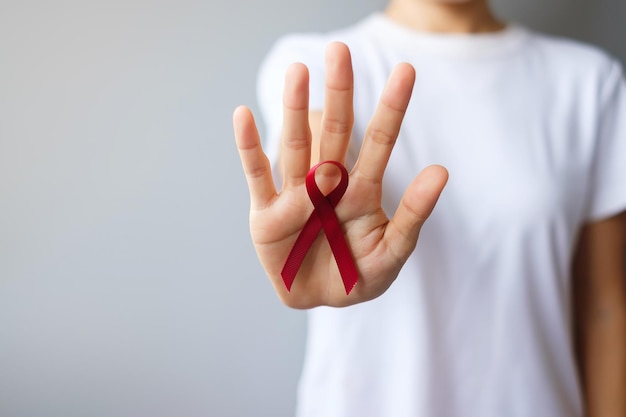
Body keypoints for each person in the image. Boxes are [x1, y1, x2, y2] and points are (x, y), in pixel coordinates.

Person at [233, 0, 626, 416]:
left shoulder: (590, 83)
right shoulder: (321, 61)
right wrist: (320, 204)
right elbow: (318, 145)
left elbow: (603, 306)